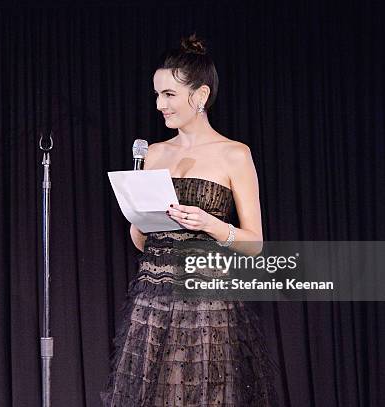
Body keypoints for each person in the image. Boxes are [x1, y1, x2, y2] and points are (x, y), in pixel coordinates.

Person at [101, 34, 280, 406]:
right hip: (154, 302)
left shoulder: (234, 154)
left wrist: (210, 224)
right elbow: (141, 241)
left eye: (168, 94)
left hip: (207, 306)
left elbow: (254, 243)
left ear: (199, 97)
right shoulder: (153, 153)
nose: (159, 104)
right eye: (156, 95)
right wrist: (140, 218)